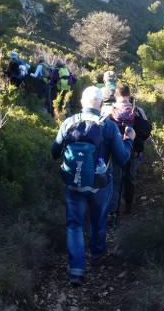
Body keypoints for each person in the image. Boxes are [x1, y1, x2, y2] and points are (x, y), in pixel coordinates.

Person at [51, 86, 135, 286]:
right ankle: (96, 256)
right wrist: (129, 141)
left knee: (74, 226)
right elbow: (122, 158)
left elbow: (54, 152)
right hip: (100, 185)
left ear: (81, 102)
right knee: (98, 221)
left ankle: (76, 270)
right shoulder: (109, 126)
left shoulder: (69, 123)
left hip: (73, 184)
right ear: (100, 104)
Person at [107, 83, 151, 215]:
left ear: (116, 95)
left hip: (115, 152)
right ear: (129, 95)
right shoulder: (138, 111)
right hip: (133, 152)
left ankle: (113, 211)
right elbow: (146, 131)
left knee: (114, 180)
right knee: (129, 178)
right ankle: (129, 206)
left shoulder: (109, 110)